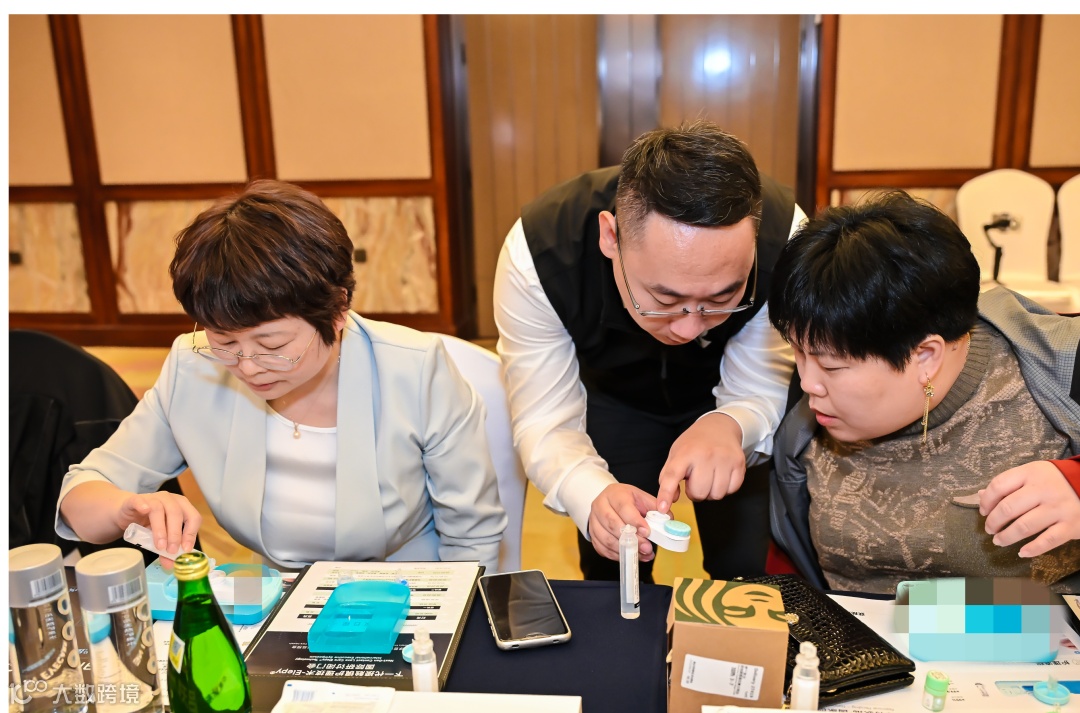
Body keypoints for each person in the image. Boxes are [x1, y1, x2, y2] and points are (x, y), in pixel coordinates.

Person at [56, 179, 507, 571]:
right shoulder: (193, 369)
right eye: (224, 340)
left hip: (408, 592)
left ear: (337, 310)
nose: (247, 366)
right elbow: (81, 493)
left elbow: (474, 535)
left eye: (272, 346)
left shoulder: (415, 370)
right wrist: (126, 506)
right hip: (275, 602)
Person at [493, 120, 806, 581]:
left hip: (726, 392)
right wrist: (589, 493)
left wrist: (732, 424)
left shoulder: (786, 238)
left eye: (722, 298)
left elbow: (763, 381)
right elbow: (544, 417)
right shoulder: (540, 252)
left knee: (748, 568)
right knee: (614, 569)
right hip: (612, 397)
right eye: (663, 299)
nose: (689, 327)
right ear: (610, 237)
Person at [768, 190, 1080, 594]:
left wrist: (1075, 483)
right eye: (799, 353)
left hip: (1030, 631)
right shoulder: (805, 420)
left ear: (926, 356)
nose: (808, 383)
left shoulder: (1057, 367)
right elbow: (788, 569)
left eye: (831, 366)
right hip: (857, 631)